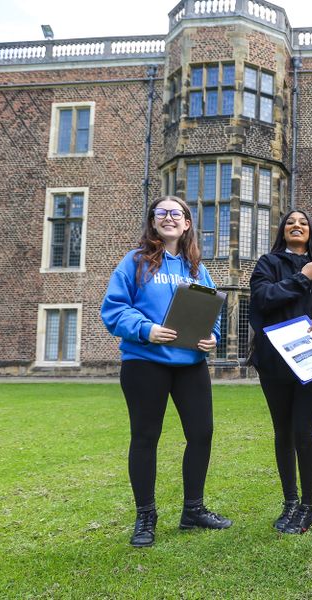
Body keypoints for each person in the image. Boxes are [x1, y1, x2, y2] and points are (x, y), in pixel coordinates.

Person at [101, 196, 232, 548]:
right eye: (163, 213)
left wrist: (212, 337)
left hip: (190, 365)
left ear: (187, 223)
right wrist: (147, 329)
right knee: (145, 438)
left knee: (202, 434)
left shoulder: (195, 268)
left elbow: (211, 310)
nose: (170, 218)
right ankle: (146, 516)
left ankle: (193, 510)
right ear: (153, 221)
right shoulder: (135, 262)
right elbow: (113, 310)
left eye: (177, 213)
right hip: (145, 363)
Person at [248, 210, 312, 535]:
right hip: (274, 362)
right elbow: (262, 300)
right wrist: (303, 277)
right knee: (283, 432)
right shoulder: (268, 264)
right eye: (290, 223)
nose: (296, 226)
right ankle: (290, 502)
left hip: (311, 361)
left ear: (310, 232)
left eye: (303, 223)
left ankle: (308, 506)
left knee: (303, 432)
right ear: (283, 231)